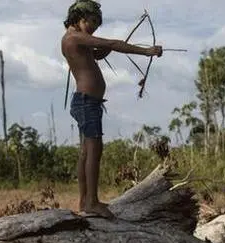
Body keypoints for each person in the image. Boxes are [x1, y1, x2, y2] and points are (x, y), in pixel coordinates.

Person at [61, 0, 162, 218]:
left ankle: (85, 201)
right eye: (92, 24)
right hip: (86, 102)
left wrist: (108, 47)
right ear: (80, 18)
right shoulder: (73, 37)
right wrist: (147, 52)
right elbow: (113, 43)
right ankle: (91, 202)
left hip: (88, 102)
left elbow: (97, 53)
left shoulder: (78, 40)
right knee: (93, 150)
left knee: (87, 151)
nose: (94, 29)